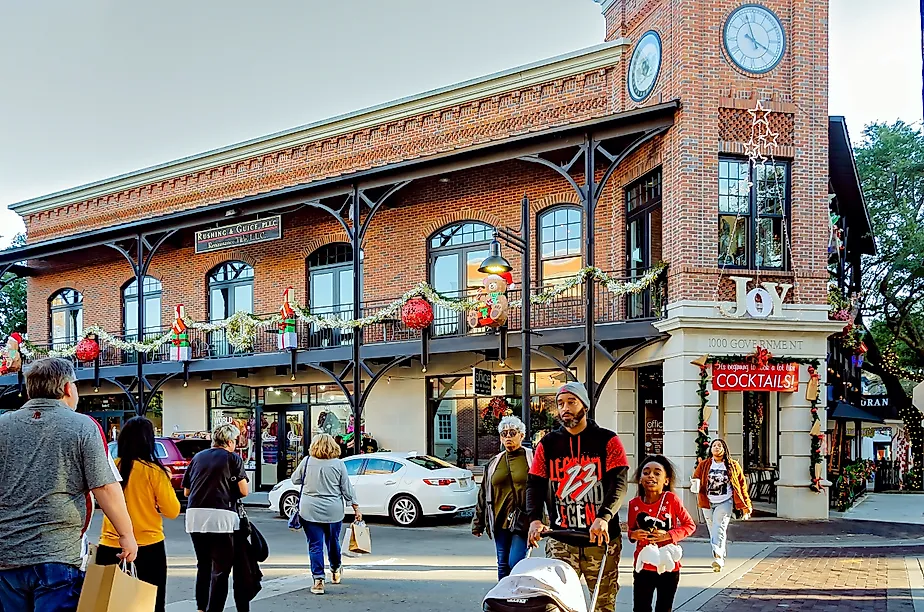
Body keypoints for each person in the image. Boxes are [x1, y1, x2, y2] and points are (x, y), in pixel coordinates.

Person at [0, 357, 138, 612]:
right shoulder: (83, 427)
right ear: (66, 388)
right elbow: (105, 487)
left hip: (6, 556)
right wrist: (126, 535)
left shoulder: (3, 425)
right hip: (58, 553)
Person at [526, 381, 629, 612]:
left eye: (571, 402)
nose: (565, 408)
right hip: (561, 537)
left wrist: (604, 516)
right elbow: (534, 485)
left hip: (601, 540)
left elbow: (619, 483)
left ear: (585, 405)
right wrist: (534, 519)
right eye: (560, 403)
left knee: (603, 603)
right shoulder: (548, 444)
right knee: (558, 603)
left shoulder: (608, 440)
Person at [97, 416, 181, 612]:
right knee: (151, 605)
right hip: (148, 546)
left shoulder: (111, 468)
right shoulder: (154, 472)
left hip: (110, 546)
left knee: (106, 606)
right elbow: (172, 511)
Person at [184, 423, 251, 612]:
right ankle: (214, 609)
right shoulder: (233, 458)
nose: (236, 445)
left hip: (194, 516)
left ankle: (201, 607)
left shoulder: (197, 458)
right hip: (221, 516)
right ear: (229, 441)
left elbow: (187, 491)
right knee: (221, 570)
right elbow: (243, 491)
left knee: (203, 564)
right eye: (235, 441)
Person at [291, 433, 361, 595]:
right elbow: (347, 488)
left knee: (315, 545)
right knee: (333, 541)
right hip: (333, 509)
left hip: (309, 509)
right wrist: (356, 507)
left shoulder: (307, 461)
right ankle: (336, 569)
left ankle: (318, 580)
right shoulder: (338, 464)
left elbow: (295, 480)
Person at [627, 456, 696, 612]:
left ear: (666, 480)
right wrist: (634, 535)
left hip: (668, 566)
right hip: (643, 566)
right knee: (640, 608)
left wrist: (668, 535)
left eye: (657, 473)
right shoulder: (634, 504)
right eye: (646, 472)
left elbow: (689, 525)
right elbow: (630, 530)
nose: (651, 475)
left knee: (664, 608)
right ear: (640, 479)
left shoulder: (671, 499)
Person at [472, 415, 534, 580]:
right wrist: (478, 523)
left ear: (521, 435)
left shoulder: (532, 458)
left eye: (512, 433)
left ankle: (518, 599)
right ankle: (503, 601)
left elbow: (544, 490)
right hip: (499, 520)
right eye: (504, 433)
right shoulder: (494, 462)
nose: (508, 437)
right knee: (502, 565)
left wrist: (542, 520)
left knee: (516, 563)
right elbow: (484, 493)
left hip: (523, 521)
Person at [692, 438, 752, 572]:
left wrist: (746, 505)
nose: (716, 447)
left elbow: (741, 485)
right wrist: (695, 485)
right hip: (707, 502)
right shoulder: (704, 464)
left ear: (724, 449)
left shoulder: (733, 465)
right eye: (714, 446)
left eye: (719, 445)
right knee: (712, 528)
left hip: (725, 501)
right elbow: (696, 478)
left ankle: (718, 557)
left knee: (719, 527)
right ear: (710, 449)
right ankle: (720, 552)